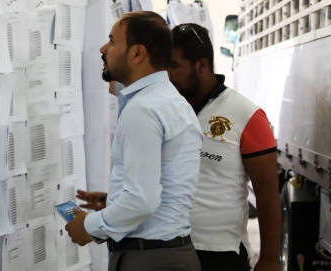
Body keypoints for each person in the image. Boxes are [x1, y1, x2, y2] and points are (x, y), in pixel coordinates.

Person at [65, 11, 203, 271]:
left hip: (149, 260)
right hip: (168, 254)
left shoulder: (144, 109)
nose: (103, 49)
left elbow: (142, 201)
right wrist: (114, 200)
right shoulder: (170, 102)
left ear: (137, 54)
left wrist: (88, 227)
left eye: (112, 41)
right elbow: (161, 185)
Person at [167, 23, 281, 271]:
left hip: (219, 252)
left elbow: (268, 193)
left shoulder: (246, 115)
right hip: (166, 247)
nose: (167, 74)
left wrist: (270, 259)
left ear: (202, 66)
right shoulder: (166, 108)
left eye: (174, 65)